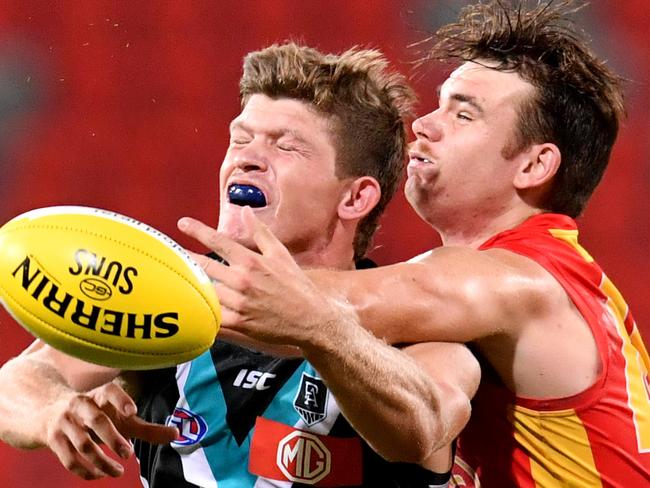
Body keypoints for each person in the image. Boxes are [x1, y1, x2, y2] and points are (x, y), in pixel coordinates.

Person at [177, 2, 650, 486]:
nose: (423, 124)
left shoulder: (519, 281)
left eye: (464, 114)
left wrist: (135, 281)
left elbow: (299, 306)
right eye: (439, 104)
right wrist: (103, 381)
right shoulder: (550, 280)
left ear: (534, 166)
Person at [0, 42, 480, 487]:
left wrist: (322, 330)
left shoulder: (413, 323)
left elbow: (422, 426)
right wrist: (54, 410)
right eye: (240, 139)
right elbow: (15, 384)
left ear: (355, 197)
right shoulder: (173, 297)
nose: (247, 160)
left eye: (285, 146)